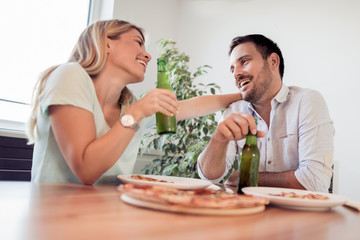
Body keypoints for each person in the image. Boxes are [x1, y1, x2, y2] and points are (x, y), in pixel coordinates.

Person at [26, 19, 242, 185]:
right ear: (106, 43)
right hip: (56, 215)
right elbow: (86, 170)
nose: (147, 55)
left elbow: (193, 106)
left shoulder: (129, 104)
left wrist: (244, 95)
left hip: (107, 211)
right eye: (138, 42)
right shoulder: (69, 75)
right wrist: (137, 113)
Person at [197, 34, 334, 192]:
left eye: (244, 61)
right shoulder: (235, 109)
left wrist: (246, 178)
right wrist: (217, 139)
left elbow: (313, 181)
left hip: (298, 213)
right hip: (248, 210)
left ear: (273, 62)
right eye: (232, 69)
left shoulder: (307, 101)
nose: (236, 74)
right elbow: (209, 176)